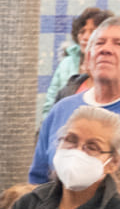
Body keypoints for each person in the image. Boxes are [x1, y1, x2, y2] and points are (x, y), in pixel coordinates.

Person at [33, 15, 120, 181]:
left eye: (118, 44)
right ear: (88, 60)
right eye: (100, 43)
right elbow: (39, 177)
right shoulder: (62, 109)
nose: (106, 49)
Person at [43, 6, 112, 116]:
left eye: (92, 31)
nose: (85, 37)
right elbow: (51, 102)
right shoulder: (66, 63)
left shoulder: (112, 63)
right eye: (82, 32)